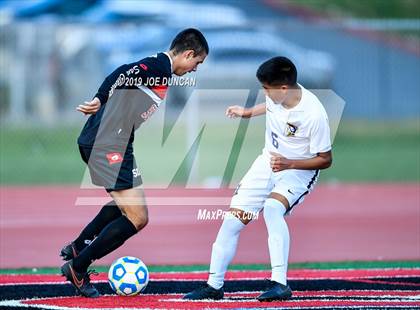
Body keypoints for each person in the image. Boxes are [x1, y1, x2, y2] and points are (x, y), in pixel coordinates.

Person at [60, 28, 208, 298]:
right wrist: (100, 98)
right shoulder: (159, 68)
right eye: (196, 63)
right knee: (138, 218)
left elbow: (124, 77)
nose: (194, 69)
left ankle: (79, 247)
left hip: (113, 143)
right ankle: (78, 267)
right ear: (188, 54)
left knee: (126, 206)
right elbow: (120, 72)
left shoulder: (160, 67)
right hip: (107, 143)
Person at [183, 56, 332, 302]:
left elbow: (325, 159)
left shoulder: (314, 114)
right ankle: (214, 285)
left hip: (298, 171)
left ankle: (280, 284)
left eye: (266, 88)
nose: (263, 92)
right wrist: (247, 113)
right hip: (267, 162)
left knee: (272, 209)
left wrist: (289, 163)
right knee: (232, 220)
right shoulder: (278, 94)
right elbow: (270, 105)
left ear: (284, 88)